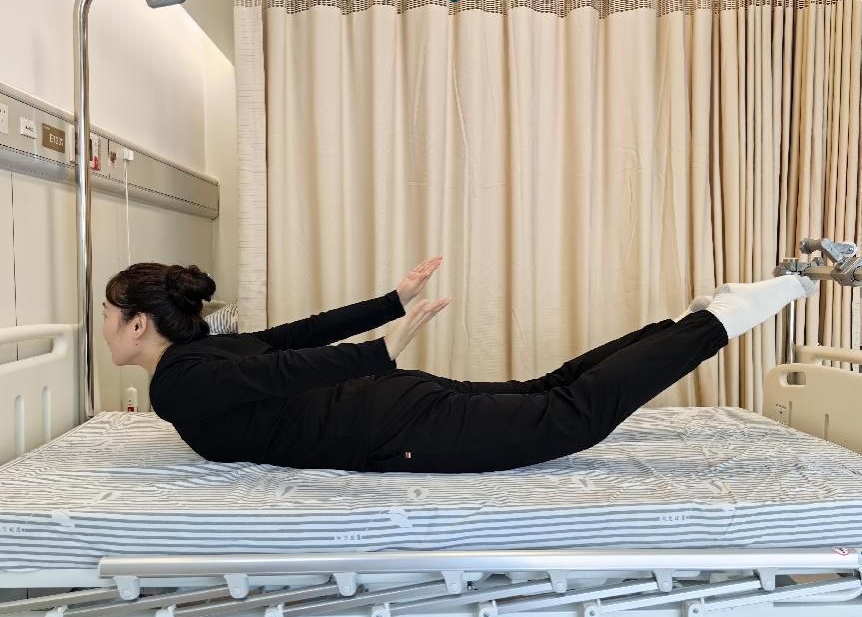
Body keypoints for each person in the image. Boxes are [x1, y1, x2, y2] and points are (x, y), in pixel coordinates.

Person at [100, 258, 817, 473]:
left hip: (390, 426)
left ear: (138, 324)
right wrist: (386, 313)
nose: (102, 325)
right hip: (391, 403)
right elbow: (291, 344)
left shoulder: (178, 382)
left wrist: (383, 333)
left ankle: (719, 321)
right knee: (548, 392)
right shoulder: (202, 355)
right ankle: (692, 321)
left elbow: (283, 364)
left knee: (569, 418)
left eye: (108, 313)